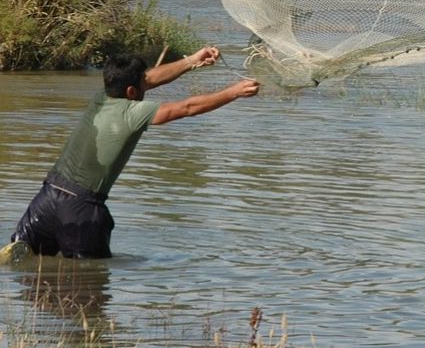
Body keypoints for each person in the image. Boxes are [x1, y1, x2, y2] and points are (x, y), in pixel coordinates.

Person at [6, 47, 259, 260]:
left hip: (47, 197)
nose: (147, 84)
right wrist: (233, 92)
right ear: (131, 92)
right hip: (81, 208)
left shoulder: (100, 98)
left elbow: (149, 79)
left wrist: (193, 61)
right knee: (89, 284)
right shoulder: (134, 113)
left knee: (22, 261)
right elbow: (187, 107)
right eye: (142, 84)